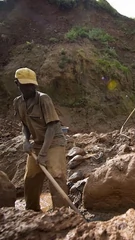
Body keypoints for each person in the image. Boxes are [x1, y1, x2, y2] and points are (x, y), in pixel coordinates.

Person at [13, 67, 68, 211]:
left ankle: (62, 214)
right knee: (30, 178)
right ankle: (32, 211)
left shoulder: (44, 99)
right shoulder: (18, 103)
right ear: (17, 84)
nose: (30, 88)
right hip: (37, 144)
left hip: (54, 142)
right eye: (25, 85)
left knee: (57, 176)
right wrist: (25, 141)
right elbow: (25, 124)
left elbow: (51, 127)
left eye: (32, 85)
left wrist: (43, 154)